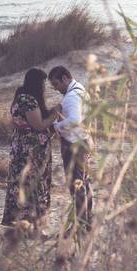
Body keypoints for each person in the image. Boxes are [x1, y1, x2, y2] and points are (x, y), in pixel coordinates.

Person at [1, 68, 61, 231]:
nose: (43, 88)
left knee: (21, 185)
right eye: (42, 84)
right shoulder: (28, 100)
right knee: (33, 186)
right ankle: (34, 230)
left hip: (20, 148)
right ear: (36, 83)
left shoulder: (19, 97)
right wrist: (55, 114)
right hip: (31, 151)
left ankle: (22, 228)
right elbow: (39, 125)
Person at [48, 65, 94, 233]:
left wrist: (55, 126)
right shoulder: (80, 89)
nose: (55, 88)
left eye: (56, 84)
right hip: (84, 140)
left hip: (75, 145)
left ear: (66, 78)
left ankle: (81, 225)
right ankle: (87, 221)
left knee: (76, 185)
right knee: (84, 183)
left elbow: (74, 120)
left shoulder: (72, 97)